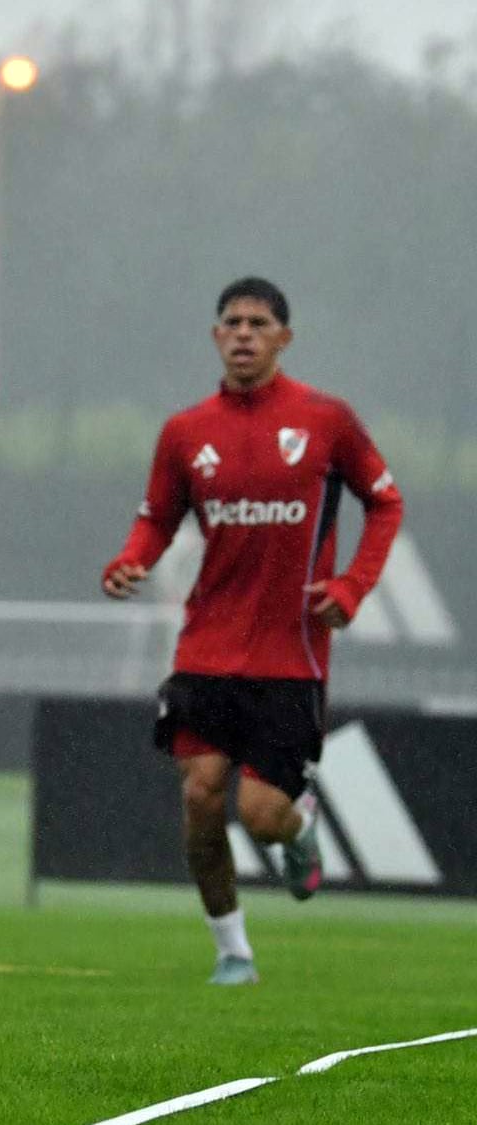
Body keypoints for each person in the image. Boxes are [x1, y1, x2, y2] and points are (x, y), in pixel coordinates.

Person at [102, 276, 401, 986]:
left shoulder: (326, 420)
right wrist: (131, 560)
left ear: (283, 338)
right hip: (206, 646)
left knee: (261, 814)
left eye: (258, 322)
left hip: (290, 656)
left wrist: (352, 586)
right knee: (201, 794)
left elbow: (385, 503)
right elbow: (157, 517)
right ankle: (232, 949)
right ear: (215, 335)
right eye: (231, 321)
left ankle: (299, 830)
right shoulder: (185, 431)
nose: (243, 332)